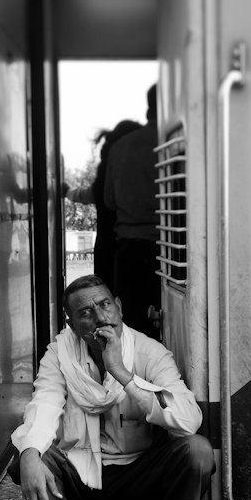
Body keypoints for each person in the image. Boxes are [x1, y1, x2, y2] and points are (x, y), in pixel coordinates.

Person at [10, 274, 214, 500]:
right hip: (80, 477)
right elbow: (44, 404)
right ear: (72, 323)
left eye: (105, 304)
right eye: (86, 312)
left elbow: (188, 420)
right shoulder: (59, 354)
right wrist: (30, 452)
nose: (100, 316)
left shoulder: (150, 352)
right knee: (29, 458)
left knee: (198, 452)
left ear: (118, 307)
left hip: (139, 476)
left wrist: (123, 373)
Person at [103, 84, 161, 334]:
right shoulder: (180, 144)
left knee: (133, 327)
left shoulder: (120, 147)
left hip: (129, 250)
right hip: (172, 251)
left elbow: (109, 201)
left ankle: (134, 374)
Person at [68, 118, 142, 291]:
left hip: (106, 246)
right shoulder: (126, 171)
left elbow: (88, 194)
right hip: (123, 247)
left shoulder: (106, 169)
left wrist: (67, 192)